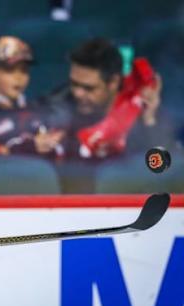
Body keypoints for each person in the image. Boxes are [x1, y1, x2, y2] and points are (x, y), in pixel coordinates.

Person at [37, 38, 167, 192]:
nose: (78, 93)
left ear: (113, 82)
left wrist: (150, 120)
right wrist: (37, 147)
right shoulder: (54, 110)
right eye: (74, 84)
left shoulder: (141, 110)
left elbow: (167, 170)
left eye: (88, 88)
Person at [0, 36, 64, 158]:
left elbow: (59, 152)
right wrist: (25, 147)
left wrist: (49, 145)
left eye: (24, 70)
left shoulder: (36, 112)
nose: (18, 77)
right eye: (9, 70)